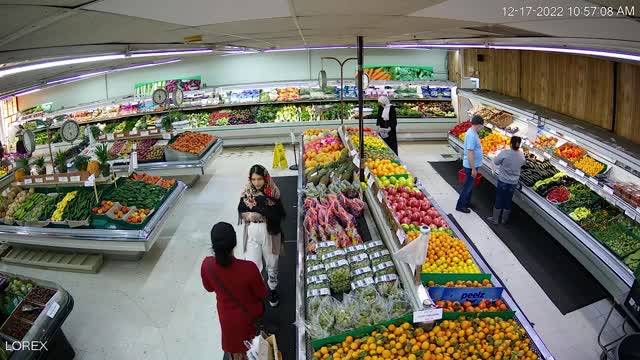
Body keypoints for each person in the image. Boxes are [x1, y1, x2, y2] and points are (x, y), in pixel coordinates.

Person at [201, 222, 267, 360]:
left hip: (227, 321)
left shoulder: (207, 265)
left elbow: (209, 288)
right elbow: (261, 293)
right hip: (250, 319)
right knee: (255, 351)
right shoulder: (249, 268)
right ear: (234, 242)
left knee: (236, 353)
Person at [238, 164, 285, 308]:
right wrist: (248, 215)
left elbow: (279, 213)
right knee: (253, 265)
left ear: (265, 178)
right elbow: (240, 209)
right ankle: (257, 291)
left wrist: (260, 213)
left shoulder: (273, 191)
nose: (257, 182)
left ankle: (272, 289)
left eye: (259, 179)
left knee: (272, 263)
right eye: (254, 179)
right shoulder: (246, 191)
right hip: (252, 230)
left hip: (269, 231)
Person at [488, 136, 526, 225]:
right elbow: (523, 163)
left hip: (503, 180)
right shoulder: (521, 155)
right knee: (508, 200)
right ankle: (504, 220)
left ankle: (495, 219)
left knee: (499, 198)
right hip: (513, 182)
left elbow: (496, 162)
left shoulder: (505, 153)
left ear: (511, 144)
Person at [456, 115, 484, 213]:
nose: (482, 127)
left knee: (470, 186)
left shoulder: (473, 132)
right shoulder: (471, 135)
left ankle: (467, 202)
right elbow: (470, 152)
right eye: (481, 125)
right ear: (478, 125)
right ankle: (460, 206)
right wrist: (473, 169)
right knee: (467, 187)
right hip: (471, 166)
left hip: (473, 165)